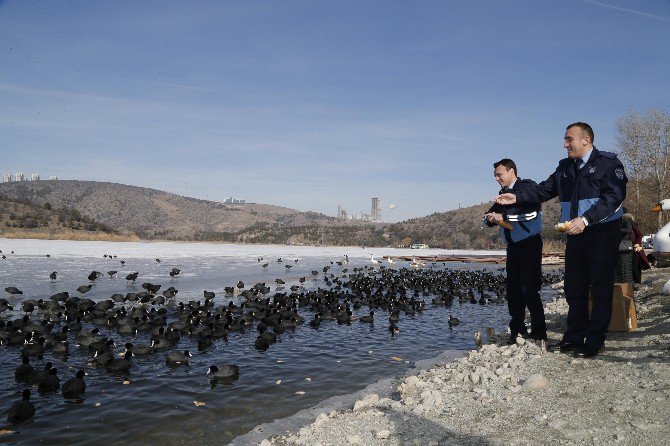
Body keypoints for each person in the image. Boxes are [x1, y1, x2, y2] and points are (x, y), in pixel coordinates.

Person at [496, 122, 627, 358]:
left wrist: (585, 220)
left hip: (602, 232)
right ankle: (574, 337)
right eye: (565, 140)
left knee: (600, 287)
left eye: (569, 139)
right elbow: (543, 191)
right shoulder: (565, 168)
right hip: (574, 234)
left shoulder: (608, 164)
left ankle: (595, 340)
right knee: (574, 287)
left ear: (585, 140)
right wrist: (515, 196)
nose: (565, 144)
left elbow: (614, 198)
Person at [484, 159, 546, 343]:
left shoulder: (528, 188)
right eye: (495, 175)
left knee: (529, 288)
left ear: (511, 171)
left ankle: (539, 332)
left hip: (530, 244)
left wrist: (503, 216)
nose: (496, 178)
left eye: (499, 174)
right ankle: (517, 330)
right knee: (513, 290)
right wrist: (489, 218)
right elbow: (489, 215)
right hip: (513, 247)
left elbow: (531, 214)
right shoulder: (502, 194)